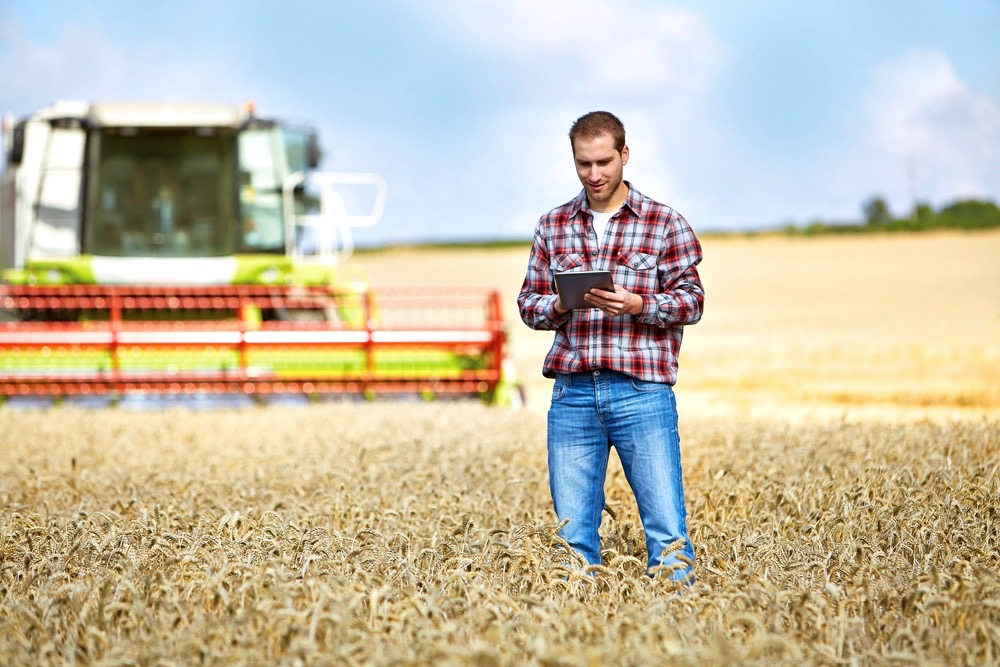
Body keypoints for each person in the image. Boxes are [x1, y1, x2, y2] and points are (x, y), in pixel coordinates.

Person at [517, 111, 705, 582]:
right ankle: (575, 622)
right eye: (584, 164)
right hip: (573, 392)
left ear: (625, 155)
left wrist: (639, 304)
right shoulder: (552, 225)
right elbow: (528, 305)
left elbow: (693, 301)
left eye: (604, 162)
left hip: (642, 392)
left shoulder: (665, 223)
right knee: (572, 539)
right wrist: (559, 304)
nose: (594, 174)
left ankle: (678, 618)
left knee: (667, 533)